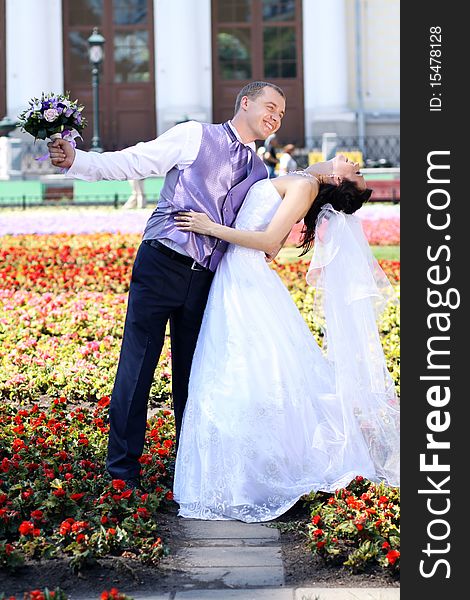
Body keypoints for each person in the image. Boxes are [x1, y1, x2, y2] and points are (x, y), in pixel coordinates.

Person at [47, 81, 286, 490]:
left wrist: (265, 247)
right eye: (270, 106)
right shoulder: (195, 135)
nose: (275, 117)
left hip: (207, 280)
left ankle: (191, 474)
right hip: (162, 262)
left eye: (281, 113)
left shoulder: (260, 171)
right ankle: (122, 473)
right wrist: (76, 160)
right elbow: (132, 162)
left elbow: (252, 227)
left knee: (194, 379)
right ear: (244, 102)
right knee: (137, 368)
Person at [173, 155, 400, 522]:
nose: (353, 161)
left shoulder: (306, 186)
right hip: (241, 273)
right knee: (243, 369)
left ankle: (251, 476)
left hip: (244, 276)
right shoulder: (303, 180)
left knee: (242, 370)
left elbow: (266, 239)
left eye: (354, 171)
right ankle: (244, 472)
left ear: (336, 181)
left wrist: (208, 227)